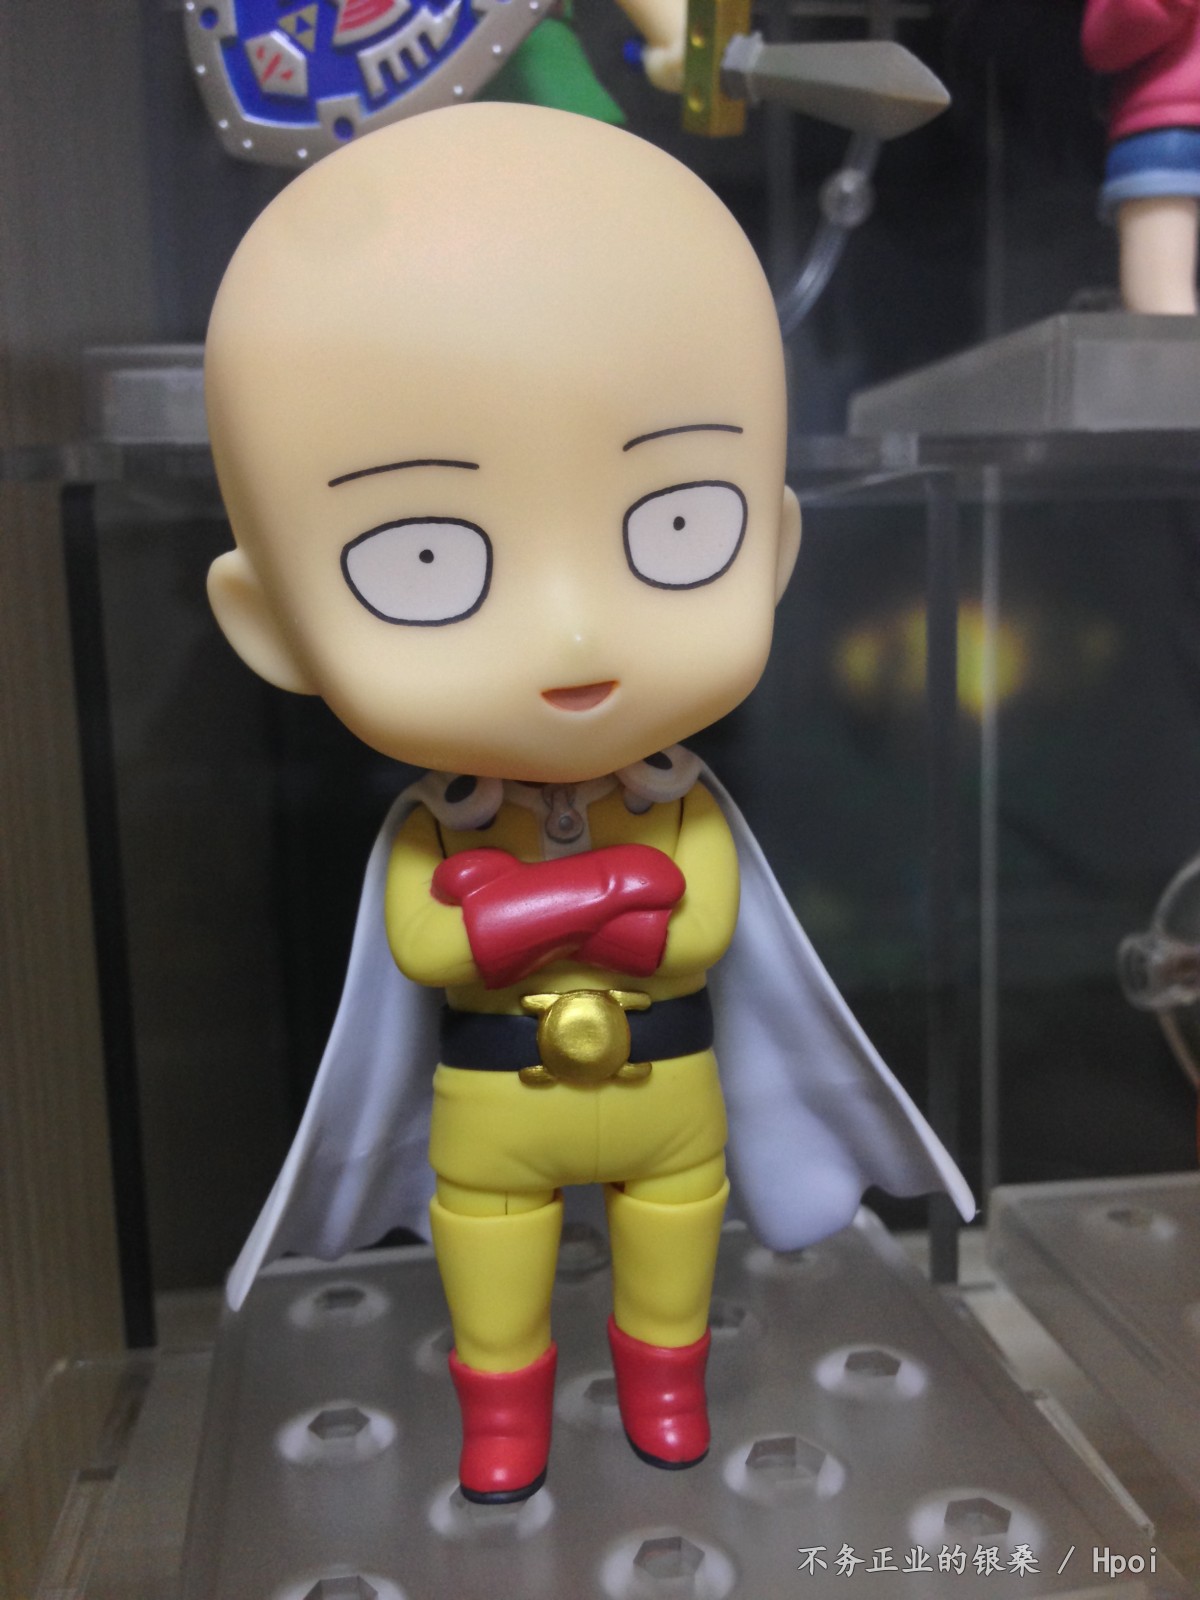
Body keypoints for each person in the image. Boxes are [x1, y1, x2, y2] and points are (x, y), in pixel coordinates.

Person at [204, 102, 972, 1506]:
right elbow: (437, 945)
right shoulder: (444, 823)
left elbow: (692, 930)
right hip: (493, 1111)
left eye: (678, 528)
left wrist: (530, 907)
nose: (571, 633)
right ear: (270, 625)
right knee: (488, 1256)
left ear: (772, 545)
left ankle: (667, 1391)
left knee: (676, 1245)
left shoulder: (670, 803)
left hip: (668, 1099)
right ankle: (502, 1421)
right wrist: (611, 891)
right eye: (424, 559)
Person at [1082, 0, 1200, 313]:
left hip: (1165, 130)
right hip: (1170, 127)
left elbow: (1111, 36)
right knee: (1164, 308)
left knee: (1162, 307)